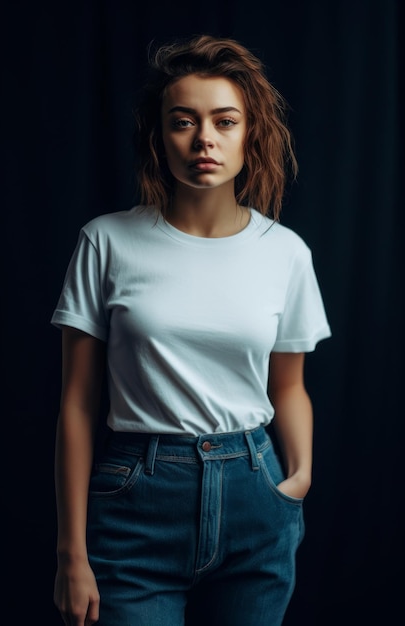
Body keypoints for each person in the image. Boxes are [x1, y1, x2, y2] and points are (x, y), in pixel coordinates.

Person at [51, 33, 331, 626]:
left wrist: (299, 476)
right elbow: (77, 401)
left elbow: (288, 386)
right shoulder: (106, 240)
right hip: (135, 500)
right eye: (183, 121)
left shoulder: (285, 253)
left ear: (249, 134)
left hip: (256, 493)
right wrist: (71, 553)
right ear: (160, 136)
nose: (204, 139)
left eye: (224, 121)